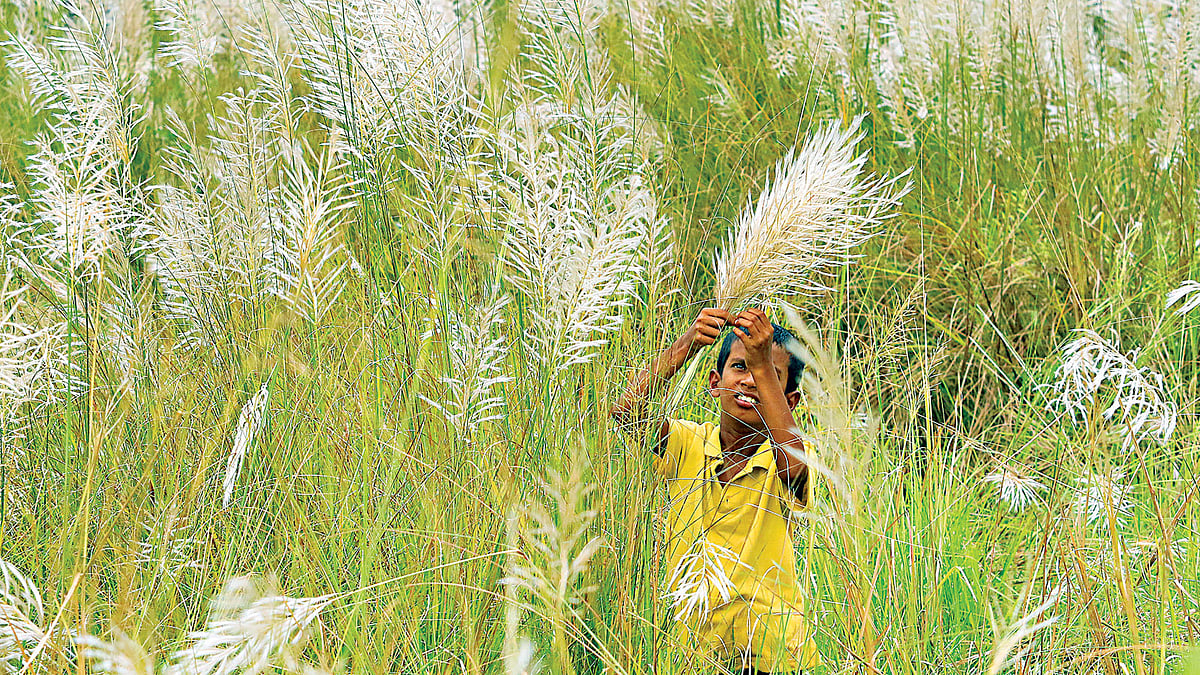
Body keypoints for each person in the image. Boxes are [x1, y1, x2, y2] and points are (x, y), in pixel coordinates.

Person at [612, 307, 820, 675]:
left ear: (788, 402)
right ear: (714, 382)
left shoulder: (790, 458)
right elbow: (627, 411)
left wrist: (759, 359)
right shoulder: (687, 443)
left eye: (770, 375)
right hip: (692, 652)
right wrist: (688, 344)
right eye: (740, 367)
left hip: (772, 656)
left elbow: (794, 462)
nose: (751, 381)